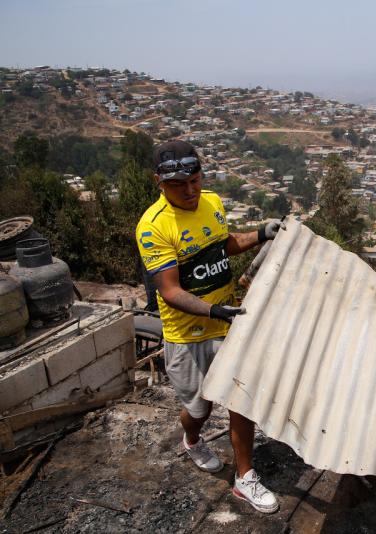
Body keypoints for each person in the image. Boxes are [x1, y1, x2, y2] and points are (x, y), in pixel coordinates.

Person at [136, 140, 283, 513]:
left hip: (225, 322)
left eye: (195, 181)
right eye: (178, 186)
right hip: (187, 334)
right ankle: (191, 438)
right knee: (199, 407)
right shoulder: (153, 227)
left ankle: (244, 478)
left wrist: (260, 234)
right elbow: (169, 290)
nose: (190, 191)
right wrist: (213, 311)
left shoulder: (213, 202)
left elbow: (223, 245)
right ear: (159, 182)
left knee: (239, 398)